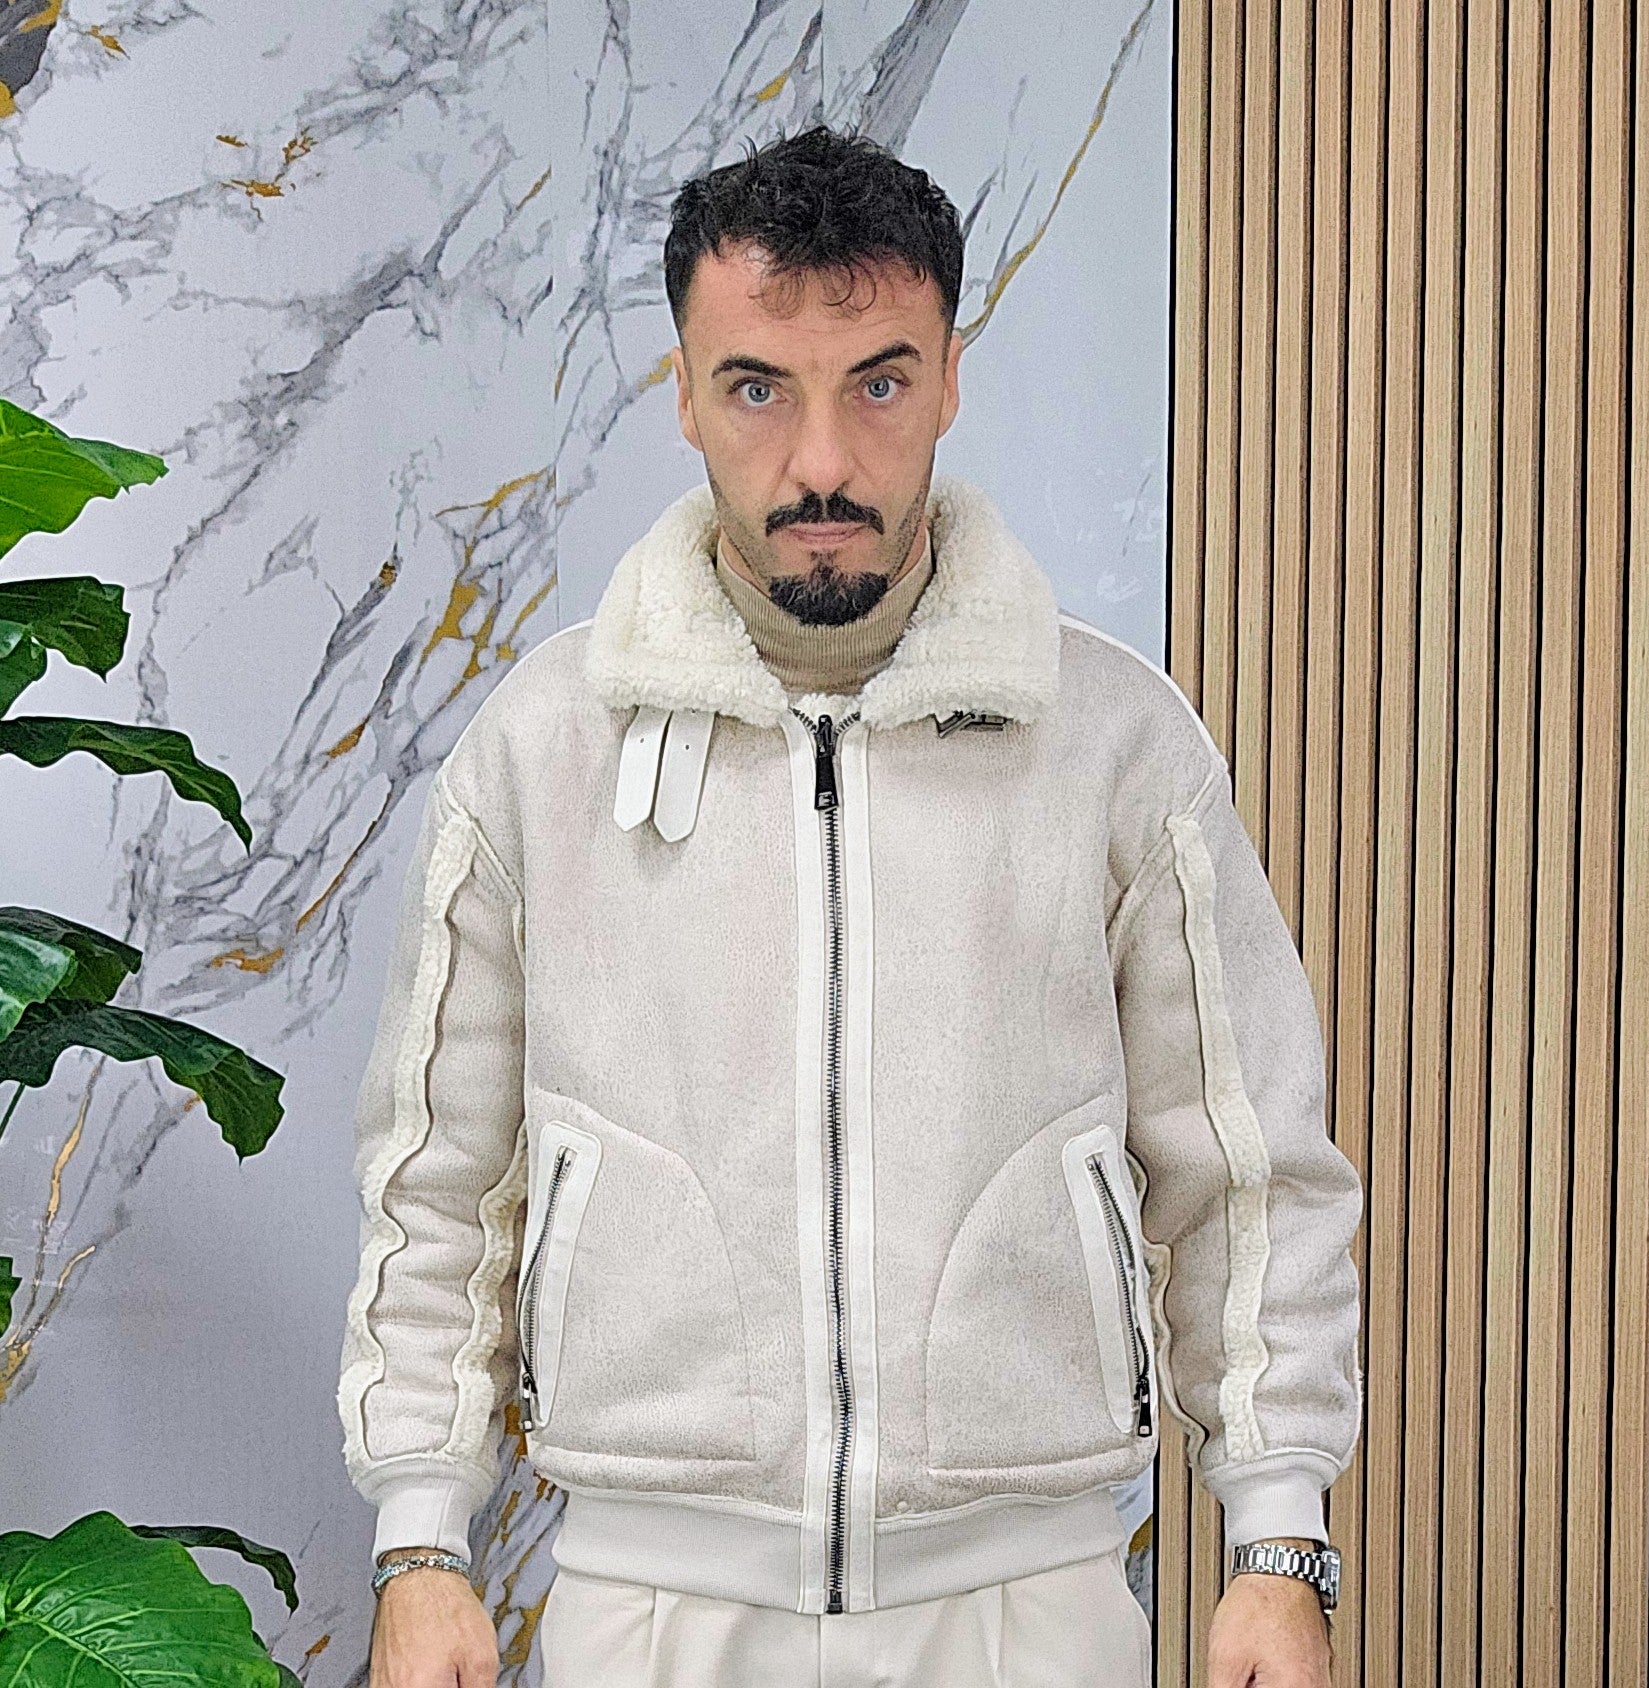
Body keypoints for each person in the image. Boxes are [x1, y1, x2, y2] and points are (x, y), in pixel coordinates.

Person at [337, 125, 1363, 1688]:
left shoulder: (1113, 743)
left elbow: (1248, 1168)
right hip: (651, 1611)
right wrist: (421, 1542)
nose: (821, 464)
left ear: (948, 380)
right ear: (685, 393)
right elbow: (438, 1184)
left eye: (877, 384)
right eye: (758, 388)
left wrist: (1279, 1541)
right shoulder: (541, 750)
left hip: (1029, 1607)